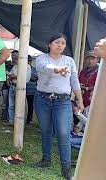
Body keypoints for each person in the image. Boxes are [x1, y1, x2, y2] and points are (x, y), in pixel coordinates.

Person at [33, 34, 84, 180]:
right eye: (57, 42)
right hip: (43, 99)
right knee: (45, 130)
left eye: (63, 43)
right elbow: (45, 68)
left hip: (62, 101)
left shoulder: (69, 61)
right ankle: (46, 160)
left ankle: (66, 168)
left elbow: (74, 81)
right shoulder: (41, 58)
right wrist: (57, 69)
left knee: (63, 133)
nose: (60, 45)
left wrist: (79, 100)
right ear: (49, 44)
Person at [4, 52, 31, 126]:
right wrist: (9, 79)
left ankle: (21, 123)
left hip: (20, 88)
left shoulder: (27, 66)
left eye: (16, 58)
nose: (14, 59)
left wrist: (14, 76)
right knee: (11, 105)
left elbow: (26, 79)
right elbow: (10, 75)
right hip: (12, 86)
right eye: (13, 58)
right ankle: (11, 121)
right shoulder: (15, 66)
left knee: (20, 106)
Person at [0, 51, 15, 120]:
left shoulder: (19, 65)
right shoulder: (7, 64)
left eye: (16, 55)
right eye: (13, 55)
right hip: (5, 86)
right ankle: (4, 116)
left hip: (14, 86)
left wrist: (10, 76)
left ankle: (11, 117)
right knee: (5, 102)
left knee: (12, 103)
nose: (14, 57)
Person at [26, 55, 38, 124]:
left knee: (30, 106)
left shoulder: (34, 69)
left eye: (30, 60)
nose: (29, 62)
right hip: (23, 90)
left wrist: (28, 77)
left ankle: (29, 119)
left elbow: (36, 78)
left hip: (32, 91)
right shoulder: (22, 68)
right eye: (28, 60)